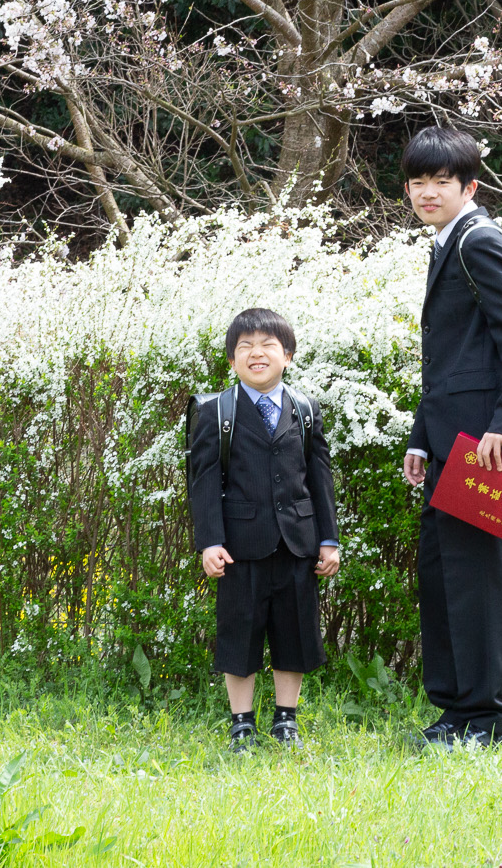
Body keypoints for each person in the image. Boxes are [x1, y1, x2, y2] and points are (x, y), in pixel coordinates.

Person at [401, 126, 502, 747]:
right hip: (450, 442)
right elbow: (449, 360)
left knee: (479, 581)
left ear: (470, 187)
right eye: (418, 182)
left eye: (441, 181)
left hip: (485, 448)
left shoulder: (478, 240)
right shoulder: (448, 241)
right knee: (444, 578)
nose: (427, 193)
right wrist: (419, 437)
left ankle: (492, 718)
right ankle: (458, 711)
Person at [187, 307, 342, 752]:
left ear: (287, 355)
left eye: (267, 345)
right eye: (245, 347)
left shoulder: (305, 409)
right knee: (239, 633)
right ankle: (241, 723)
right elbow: (203, 483)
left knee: (294, 631)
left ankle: (285, 719)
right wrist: (210, 542)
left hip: (297, 543)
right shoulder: (216, 411)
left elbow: (320, 479)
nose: (257, 353)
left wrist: (328, 539)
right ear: (232, 360)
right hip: (239, 547)